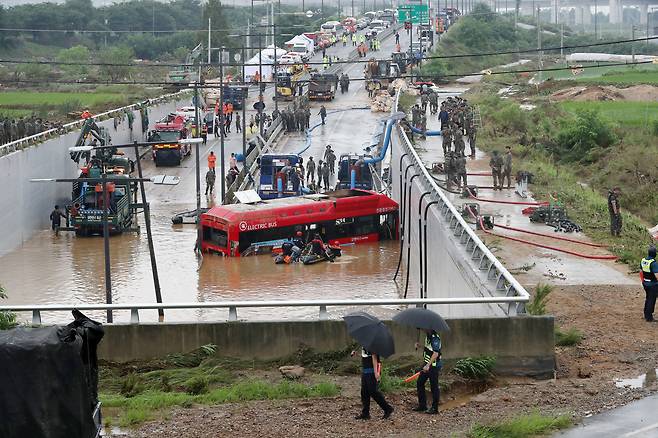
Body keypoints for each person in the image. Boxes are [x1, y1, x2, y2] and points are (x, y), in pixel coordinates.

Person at [353, 346, 394, 420]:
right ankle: (365, 413)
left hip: (371, 371)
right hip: (365, 370)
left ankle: (387, 408)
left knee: (373, 391)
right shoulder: (365, 343)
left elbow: (374, 357)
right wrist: (357, 354)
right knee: (364, 392)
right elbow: (366, 356)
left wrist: (376, 373)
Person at [414, 329, 442, 415]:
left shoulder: (435, 338)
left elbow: (435, 353)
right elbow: (428, 349)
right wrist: (420, 346)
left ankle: (435, 408)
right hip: (427, 364)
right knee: (420, 383)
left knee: (434, 387)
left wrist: (427, 365)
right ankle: (422, 405)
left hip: (433, 366)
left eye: (423, 327)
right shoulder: (428, 337)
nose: (422, 329)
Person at [641, 246, 658, 322]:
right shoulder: (653, 263)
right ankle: (649, 317)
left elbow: (641, 271)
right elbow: (657, 275)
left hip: (645, 283)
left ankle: (646, 314)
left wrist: (643, 281)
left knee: (648, 299)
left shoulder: (643, 260)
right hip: (652, 284)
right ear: (655, 254)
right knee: (651, 300)